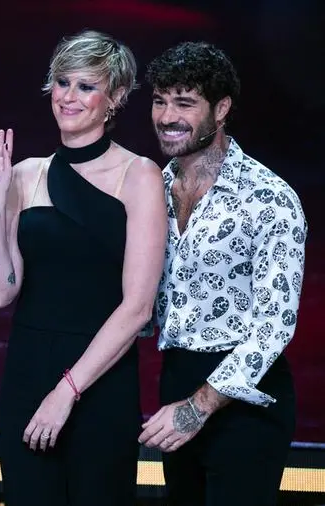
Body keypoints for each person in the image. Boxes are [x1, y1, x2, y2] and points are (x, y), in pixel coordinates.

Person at [0, 30, 167, 505]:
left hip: (99, 382)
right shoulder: (26, 174)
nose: (69, 96)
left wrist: (67, 391)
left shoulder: (138, 175)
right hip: (28, 374)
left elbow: (138, 308)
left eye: (86, 86)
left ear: (114, 98)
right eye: (63, 82)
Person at [138, 41, 307, 505]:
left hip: (245, 399)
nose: (167, 116)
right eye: (160, 101)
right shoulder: (152, 188)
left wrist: (196, 408)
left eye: (184, 103)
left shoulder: (269, 197)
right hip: (176, 379)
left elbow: (274, 326)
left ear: (222, 108)